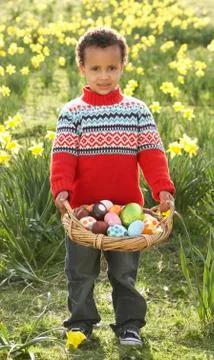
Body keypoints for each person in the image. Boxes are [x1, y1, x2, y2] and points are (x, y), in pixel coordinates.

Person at [50, 27, 175, 347]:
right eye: (95, 68)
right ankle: (80, 322)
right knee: (80, 271)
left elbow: (152, 153)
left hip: (126, 209)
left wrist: (162, 188)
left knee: (124, 272)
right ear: (82, 68)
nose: (104, 76)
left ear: (122, 66)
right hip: (82, 212)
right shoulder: (73, 113)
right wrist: (61, 188)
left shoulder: (136, 110)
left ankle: (129, 324)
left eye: (111, 67)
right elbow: (63, 156)